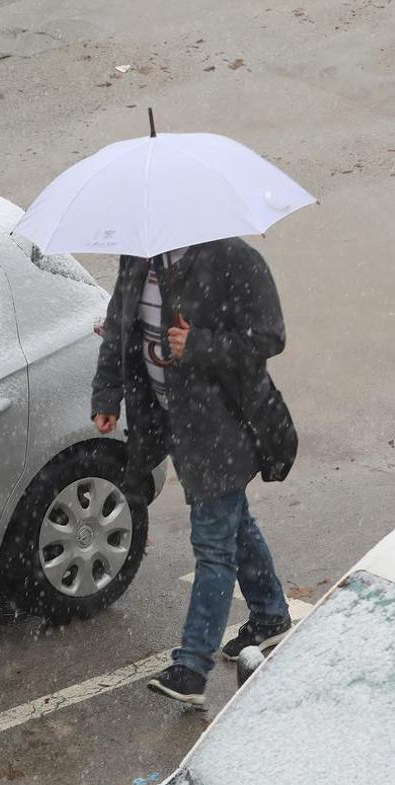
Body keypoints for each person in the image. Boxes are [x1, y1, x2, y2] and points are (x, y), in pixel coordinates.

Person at [91, 237, 295, 707]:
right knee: (231, 521)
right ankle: (269, 617)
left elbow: (269, 336)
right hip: (168, 422)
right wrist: (107, 396)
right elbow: (119, 332)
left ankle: (192, 668)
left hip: (222, 425)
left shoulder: (234, 259)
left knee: (212, 544)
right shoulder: (139, 259)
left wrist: (198, 344)